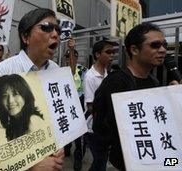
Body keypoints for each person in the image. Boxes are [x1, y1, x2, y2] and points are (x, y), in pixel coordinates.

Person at [0, 8, 65, 170]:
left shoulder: (56, 70)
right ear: (25, 36)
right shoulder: (0, 72)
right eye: (47, 27)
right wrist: (31, 162)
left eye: (58, 29)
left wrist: (60, 145)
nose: (55, 34)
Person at [92, 22, 167, 170]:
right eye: (155, 45)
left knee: (176, 163)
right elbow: (100, 126)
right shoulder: (116, 82)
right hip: (124, 163)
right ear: (134, 49)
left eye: (164, 44)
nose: (163, 50)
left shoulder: (154, 81)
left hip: (155, 160)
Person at [83, 40, 116, 171]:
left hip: (106, 126)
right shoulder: (90, 77)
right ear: (97, 54)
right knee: (100, 160)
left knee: (101, 160)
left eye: (113, 52)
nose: (111, 55)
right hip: (93, 128)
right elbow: (91, 106)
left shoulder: (108, 74)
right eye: (108, 52)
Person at [0, 74, 44, 141]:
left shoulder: (33, 120)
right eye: (4, 96)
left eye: (15, 94)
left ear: (25, 96)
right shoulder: (12, 123)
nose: (10, 101)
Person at [63, 37, 88, 171]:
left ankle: (78, 161)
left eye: (71, 56)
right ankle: (67, 149)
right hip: (65, 104)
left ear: (77, 57)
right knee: (67, 131)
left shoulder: (83, 70)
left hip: (79, 102)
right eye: (66, 56)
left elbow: (87, 88)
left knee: (79, 136)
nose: (69, 58)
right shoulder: (61, 70)